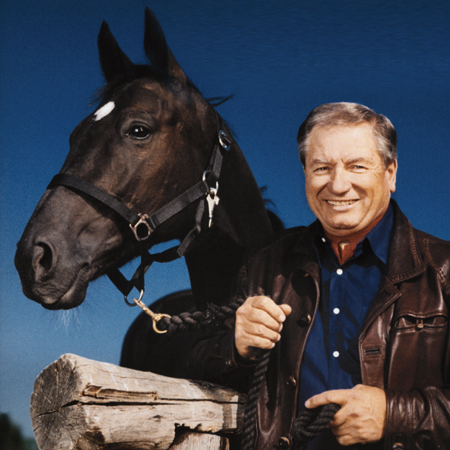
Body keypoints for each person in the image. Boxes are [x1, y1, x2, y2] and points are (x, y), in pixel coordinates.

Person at [180, 102, 450, 449]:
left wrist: (393, 415)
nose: (338, 185)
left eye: (357, 166)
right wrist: (235, 345)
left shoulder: (443, 270)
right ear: (305, 173)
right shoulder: (265, 265)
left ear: (390, 172)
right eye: (322, 168)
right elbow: (194, 365)